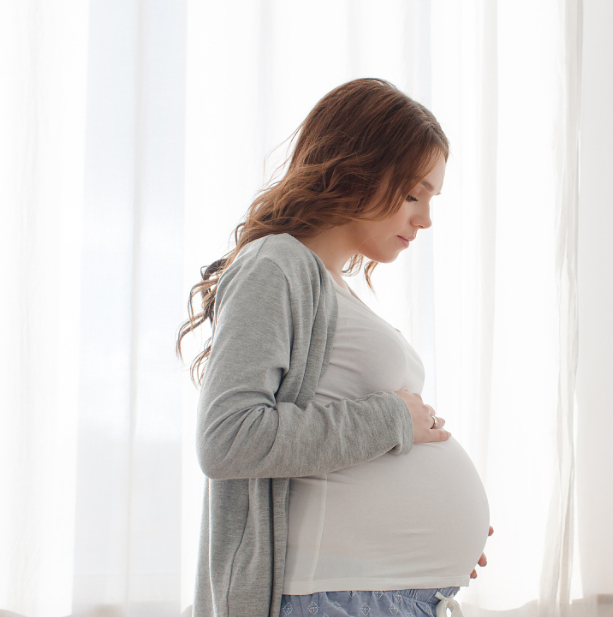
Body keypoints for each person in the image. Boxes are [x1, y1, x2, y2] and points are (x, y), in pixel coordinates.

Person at [175, 78, 492, 617]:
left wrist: (427, 536)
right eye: (413, 194)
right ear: (357, 170)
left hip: (383, 595)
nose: (425, 218)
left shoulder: (332, 284)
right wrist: (392, 419)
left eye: (432, 198)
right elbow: (227, 439)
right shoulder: (275, 266)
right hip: (331, 597)